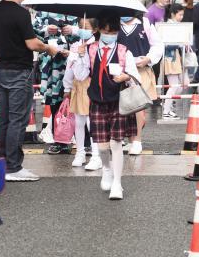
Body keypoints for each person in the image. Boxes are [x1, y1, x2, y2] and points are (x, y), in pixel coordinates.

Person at [0, 0, 59, 182]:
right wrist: (48, 47)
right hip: (19, 71)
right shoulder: (20, 13)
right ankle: (13, 167)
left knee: (5, 118)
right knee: (18, 121)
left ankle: (1, 163)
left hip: (1, 70)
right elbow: (31, 43)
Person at [72, 12, 140, 200]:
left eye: (113, 31)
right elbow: (80, 75)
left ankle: (117, 183)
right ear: (100, 30)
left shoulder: (124, 50)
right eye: (106, 31)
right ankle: (107, 168)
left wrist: (126, 76)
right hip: (97, 101)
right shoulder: (90, 49)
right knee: (102, 147)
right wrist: (79, 56)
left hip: (118, 101)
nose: (109, 34)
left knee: (116, 143)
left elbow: (136, 76)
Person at [33, 0, 79, 155]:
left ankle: (77, 137)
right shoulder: (42, 10)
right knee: (54, 101)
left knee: (76, 100)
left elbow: (87, 30)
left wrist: (72, 30)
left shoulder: (76, 8)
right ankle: (59, 139)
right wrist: (47, 29)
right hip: (52, 63)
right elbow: (33, 30)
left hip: (74, 61)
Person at [118, 12, 163, 154]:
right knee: (123, 106)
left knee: (138, 107)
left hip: (140, 71)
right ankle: (129, 140)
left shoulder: (144, 23)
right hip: (120, 71)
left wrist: (148, 59)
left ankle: (137, 140)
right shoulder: (114, 23)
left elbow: (157, 45)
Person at [63, 18, 102, 171]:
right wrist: (66, 87)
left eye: (85, 27)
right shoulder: (76, 45)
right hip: (77, 87)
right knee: (78, 121)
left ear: (94, 30)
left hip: (90, 85)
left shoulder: (95, 46)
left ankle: (96, 156)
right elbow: (70, 69)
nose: (81, 29)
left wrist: (80, 56)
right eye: (80, 27)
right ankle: (80, 153)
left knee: (91, 122)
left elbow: (83, 73)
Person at [162, 4, 186, 120]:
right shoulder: (168, 26)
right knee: (175, 85)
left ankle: (169, 106)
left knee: (182, 84)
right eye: (180, 14)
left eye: (182, 15)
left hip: (175, 57)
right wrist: (179, 43)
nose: (181, 17)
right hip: (170, 57)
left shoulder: (175, 25)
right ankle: (166, 110)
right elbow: (165, 44)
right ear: (173, 14)